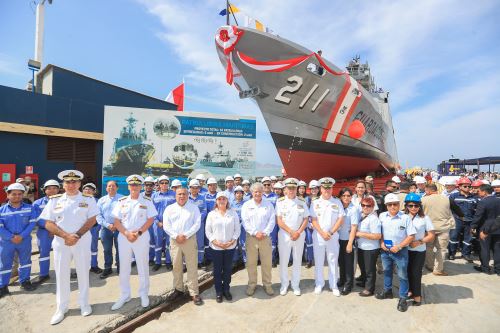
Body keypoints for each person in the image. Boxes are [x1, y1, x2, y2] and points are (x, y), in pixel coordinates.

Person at [39, 170, 99, 325]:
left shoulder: (88, 199)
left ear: (79, 183)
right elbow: (48, 223)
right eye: (68, 182)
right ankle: (61, 307)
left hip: (82, 241)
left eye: (74, 182)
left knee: (83, 273)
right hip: (61, 243)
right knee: (61, 274)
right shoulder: (54, 200)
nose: (71, 185)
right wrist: (66, 236)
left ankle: (84, 304)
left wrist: (77, 235)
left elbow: (92, 219)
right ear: (63, 185)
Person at [110, 175, 157, 310]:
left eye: (137, 185)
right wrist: (126, 233)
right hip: (124, 237)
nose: (134, 187)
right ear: (128, 186)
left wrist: (139, 232)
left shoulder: (147, 201)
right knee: (124, 266)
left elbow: (150, 219)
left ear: (141, 186)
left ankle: (143, 294)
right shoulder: (122, 201)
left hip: (141, 236)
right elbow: (116, 221)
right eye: (132, 185)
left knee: (142, 266)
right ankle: (125, 295)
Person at [376, 193, 416, 312]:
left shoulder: (405, 218)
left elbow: (411, 236)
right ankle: (387, 291)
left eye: (395, 204)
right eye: (390, 204)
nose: (392, 206)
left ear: (399, 205)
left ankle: (403, 297)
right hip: (385, 250)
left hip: (400, 251)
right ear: (386, 206)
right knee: (386, 271)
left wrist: (399, 247)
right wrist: (381, 242)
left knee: (402, 275)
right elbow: (380, 232)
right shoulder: (382, 216)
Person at [163, 187, 203, 305]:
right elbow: (166, 225)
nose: (181, 196)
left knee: (192, 267)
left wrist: (185, 235)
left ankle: (194, 292)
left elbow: (197, 224)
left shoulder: (193, 208)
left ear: (188, 195)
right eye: (179, 194)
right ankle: (178, 289)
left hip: (189, 240)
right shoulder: (169, 209)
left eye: (184, 194)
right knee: (176, 266)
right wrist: (176, 236)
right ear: (175, 196)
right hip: (175, 242)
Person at [0, 183, 37, 298]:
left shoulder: (29, 208)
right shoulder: (2, 210)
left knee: (25, 262)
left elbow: (32, 223)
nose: (17, 196)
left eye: (19, 194)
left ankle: (25, 282)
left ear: (23, 195)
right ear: (8, 195)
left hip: (24, 240)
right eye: (14, 194)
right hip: (6, 242)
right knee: (5, 264)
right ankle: (3, 286)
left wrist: (22, 236)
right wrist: (11, 237)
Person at [310, 177, 345, 296]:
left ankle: (333, 284)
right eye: (325, 188)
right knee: (319, 260)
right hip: (319, 236)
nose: (327, 190)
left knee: (333, 260)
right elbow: (313, 220)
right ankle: (319, 283)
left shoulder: (337, 202)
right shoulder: (315, 202)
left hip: (332, 236)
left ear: (332, 188)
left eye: (329, 188)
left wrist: (330, 232)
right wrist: (322, 232)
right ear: (321, 188)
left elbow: (341, 219)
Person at [241, 182, 276, 296]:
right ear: (252, 192)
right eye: (255, 191)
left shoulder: (268, 205)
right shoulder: (246, 205)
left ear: (262, 192)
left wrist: (264, 232)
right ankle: (252, 285)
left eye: (260, 191)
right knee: (251, 263)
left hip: (265, 238)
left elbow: (272, 220)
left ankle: (267, 285)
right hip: (251, 238)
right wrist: (255, 233)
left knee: (267, 263)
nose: (258, 193)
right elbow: (245, 222)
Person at [276, 178, 309, 296]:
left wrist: (298, 232)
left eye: (293, 188)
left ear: (296, 189)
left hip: (299, 235)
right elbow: (279, 220)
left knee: (297, 260)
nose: (291, 190)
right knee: (284, 261)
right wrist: (291, 231)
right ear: (285, 189)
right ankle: (284, 284)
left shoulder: (302, 201)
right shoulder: (280, 202)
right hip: (285, 235)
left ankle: (295, 284)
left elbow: (306, 218)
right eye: (289, 188)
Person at [205, 192, 240, 303]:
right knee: (217, 270)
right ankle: (219, 292)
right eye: (219, 199)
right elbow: (208, 231)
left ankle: (226, 289)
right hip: (216, 248)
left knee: (228, 269)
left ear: (227, 201)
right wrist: (216, 242)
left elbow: (237, 229)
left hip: (230, 247)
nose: (221, 201)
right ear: (216, 201)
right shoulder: (211, 214)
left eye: (224, 199)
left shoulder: (233, 213)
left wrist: (232, 241)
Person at [405, 193, 435, 306]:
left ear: (420, 206)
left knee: (416, 274)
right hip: (405, 250)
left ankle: (417, 296)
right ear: (406, 206)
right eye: (410, 205)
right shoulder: (402, 216)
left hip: (418, 251)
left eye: (416, 205)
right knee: (406, 272)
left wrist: (419, 242)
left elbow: (431, 235)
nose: (413, 208)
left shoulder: (424, 218)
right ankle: (409, 291)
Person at [422, 183, 456, 276]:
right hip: (443, 227)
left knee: (429, 247)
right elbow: (457, 209)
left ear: (428, 190)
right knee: (441, 249)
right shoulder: (447, 198)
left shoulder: (423, 199)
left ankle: (429, 265)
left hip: (429, 228)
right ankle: (438, 269)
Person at [32, 179, 60, 284]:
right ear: (45, 190)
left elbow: (67, 216)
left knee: (64, 253)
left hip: (61, 231)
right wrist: (50, 228)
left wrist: (56, 229)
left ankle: (63, 272)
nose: (52, 190)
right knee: (44, 253)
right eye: (49, 188)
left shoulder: (64, 201)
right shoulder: (37, 203)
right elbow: (37, 219)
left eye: (54, 188)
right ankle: (44, 274)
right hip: (44, 232)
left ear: (58, 189)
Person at [97, 180, 124, 279]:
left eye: (113, 186)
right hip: (106, 228)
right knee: (107, 249)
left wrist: (117, 225)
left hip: (119, 228)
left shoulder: (122, 199)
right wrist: (108, 225)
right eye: (109, 186)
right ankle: (107, 268)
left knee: (120, 249)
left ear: (117, 188)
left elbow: (125, 213)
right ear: (106, 188)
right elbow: (98, 215)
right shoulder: (101, 200)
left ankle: (120, 268)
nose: (111, 188)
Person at [471, 184, 500, 275]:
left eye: (479, 191)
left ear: (484, 192)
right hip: (498, 228)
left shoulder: (483, 202)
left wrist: (473, 226)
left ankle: (485, 268)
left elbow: (478, 216)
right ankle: (498, 269)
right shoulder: (498, 200)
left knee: (484, 248)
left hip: (485, 228)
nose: (477, 192)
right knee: (497, 249)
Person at [356, 197, 381, 297]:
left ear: (373, 207)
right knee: (363, 267)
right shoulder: (362, 216)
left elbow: (377, 236)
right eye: (363, 205)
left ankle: (369, 289)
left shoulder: (374, 219)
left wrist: (359, 234)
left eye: (368, 206)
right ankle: (364, 282)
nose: (365, 207)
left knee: (369, 269)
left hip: (370, 248)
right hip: (362, 247)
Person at [448, 177, 477, 262]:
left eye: (469, 186)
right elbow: (449, 208)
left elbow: (476, 209)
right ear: (460, 187)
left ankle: (466, 254)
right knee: (453, 237)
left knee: (468, 239)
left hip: (470, 221)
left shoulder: (473, 197)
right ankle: (451, 254)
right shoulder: (453, 196)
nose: (467, 188)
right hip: (457, 220)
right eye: (465, 186)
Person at [337, 188, 359, 295]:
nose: (346, 198)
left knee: (349, 264)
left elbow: (354, 227)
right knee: (341, 262)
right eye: (344, 195)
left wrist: (350, 243)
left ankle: (348, 284)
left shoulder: (353, 209)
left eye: (348, 196)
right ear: (341, 196)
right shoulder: (338, 207)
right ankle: (342, 280)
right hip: (338, 239)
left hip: (348, 239)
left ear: (351, 197)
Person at [151, 175, 175, 272]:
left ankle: (168, 262)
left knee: (169, 244)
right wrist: (157, 222)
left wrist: (170, 222)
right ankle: (157, 262)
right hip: (158, 224)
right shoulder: (154, 196)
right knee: (158, 243)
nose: (164, 184)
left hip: (170, 224)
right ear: (159, 184)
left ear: (168, 184)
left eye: (166, 182)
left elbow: (176, 209)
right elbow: (151, 211)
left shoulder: (174, 194)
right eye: (162, 183)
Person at [188, 179, 209, 269]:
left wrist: (197, 221)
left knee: (200, 244)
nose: (195, 190)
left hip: (200, 225)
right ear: (190, 188)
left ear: (199, 189)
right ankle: (188, 262)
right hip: (188, 225)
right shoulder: (186, 198)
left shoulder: (202, 198)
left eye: (197, 188)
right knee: (188, 244)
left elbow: (204, 210)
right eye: (193, 188)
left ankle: (199, 261)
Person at [82, 183, 102, 274]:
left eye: (90, 189)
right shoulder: (78, 201)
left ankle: (94, 266)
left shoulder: (98, 201)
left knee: (93, 247)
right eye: (85, 189)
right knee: (81, 248)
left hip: (94, 228)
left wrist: (98, 227)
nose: (87, 190)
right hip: (81, 229)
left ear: (94, 191)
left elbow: (100, 215)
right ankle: (81, 267)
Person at [261, 176, 278, 267]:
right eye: (265, 184)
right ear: (262, 185)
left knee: (272, 242)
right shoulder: (259, 196)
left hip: (273, 223)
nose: (267, 186)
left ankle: (272, 259)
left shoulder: (276, 197)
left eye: (268, 184)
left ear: (271, 185)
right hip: (262, 223)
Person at [304, 180, 319, 268]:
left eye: (315, 188)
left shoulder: (321, 199)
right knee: (309, 242)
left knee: (318, 242)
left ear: (318, 189)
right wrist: (309, 223)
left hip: (319, 225)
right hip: (309, 225)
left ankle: (317, 259)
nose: (314, 190)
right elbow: (305, 212)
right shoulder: (306, 200)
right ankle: (309, 260)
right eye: (312, 188)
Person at [142, 176, 157, 265]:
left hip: (152, 222)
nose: (148, 187)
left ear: (153, 186)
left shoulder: (157, 195)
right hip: (142, 222)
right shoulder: (140, 196)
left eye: (150, 185)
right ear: (144, 186)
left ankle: (151, 258)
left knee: (152, 241)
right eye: (147, 185)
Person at [231, 186, 247, 265]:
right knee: (234, 242)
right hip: (234, 225)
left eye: (240, 193)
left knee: (243, 243)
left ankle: (245, 260)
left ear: (243, 194)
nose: (239, 195)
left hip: (243, 225)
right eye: (237, 193)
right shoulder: (231, 203)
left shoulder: (246, 203)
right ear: (234, 194)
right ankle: (235, 259)